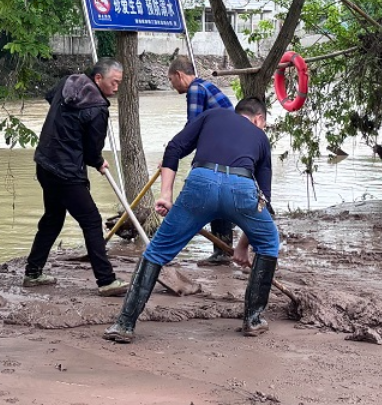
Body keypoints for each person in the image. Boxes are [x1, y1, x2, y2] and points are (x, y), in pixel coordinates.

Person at [103, 97, 279, 343]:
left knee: (156, 252)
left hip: (200, 185)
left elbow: (174, 148)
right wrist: (242, 246)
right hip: (240, 189)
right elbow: (264, 200)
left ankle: (124, 324)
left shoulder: (213, 115)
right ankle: (253, 319)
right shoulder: (260, 137)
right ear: (259, 119)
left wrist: (166, 194)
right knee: (269, 243)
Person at [23, 58, 130, 297]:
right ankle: (106, 280)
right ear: (99, 78)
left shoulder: (68, 82)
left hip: (44, 163)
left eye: (119, 84)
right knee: (91, 221)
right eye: (114, 83)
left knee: (52, 218)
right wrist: (97, 161)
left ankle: (33, 272)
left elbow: (52, 101)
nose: (116, 88)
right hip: (67, 172)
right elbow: (93, 150)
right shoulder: (97, 109)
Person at [166, 55, 235, 265]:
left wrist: (173, 154)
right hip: (229, 147)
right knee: (220, 197)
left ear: (179, 75)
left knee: (206, 195)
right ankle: (223, 250)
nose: (172, 85)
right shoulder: (207, 86)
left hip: (220, 148)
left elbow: (192, 129)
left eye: (171, 80)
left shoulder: (196, 89)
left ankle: (167, 249)